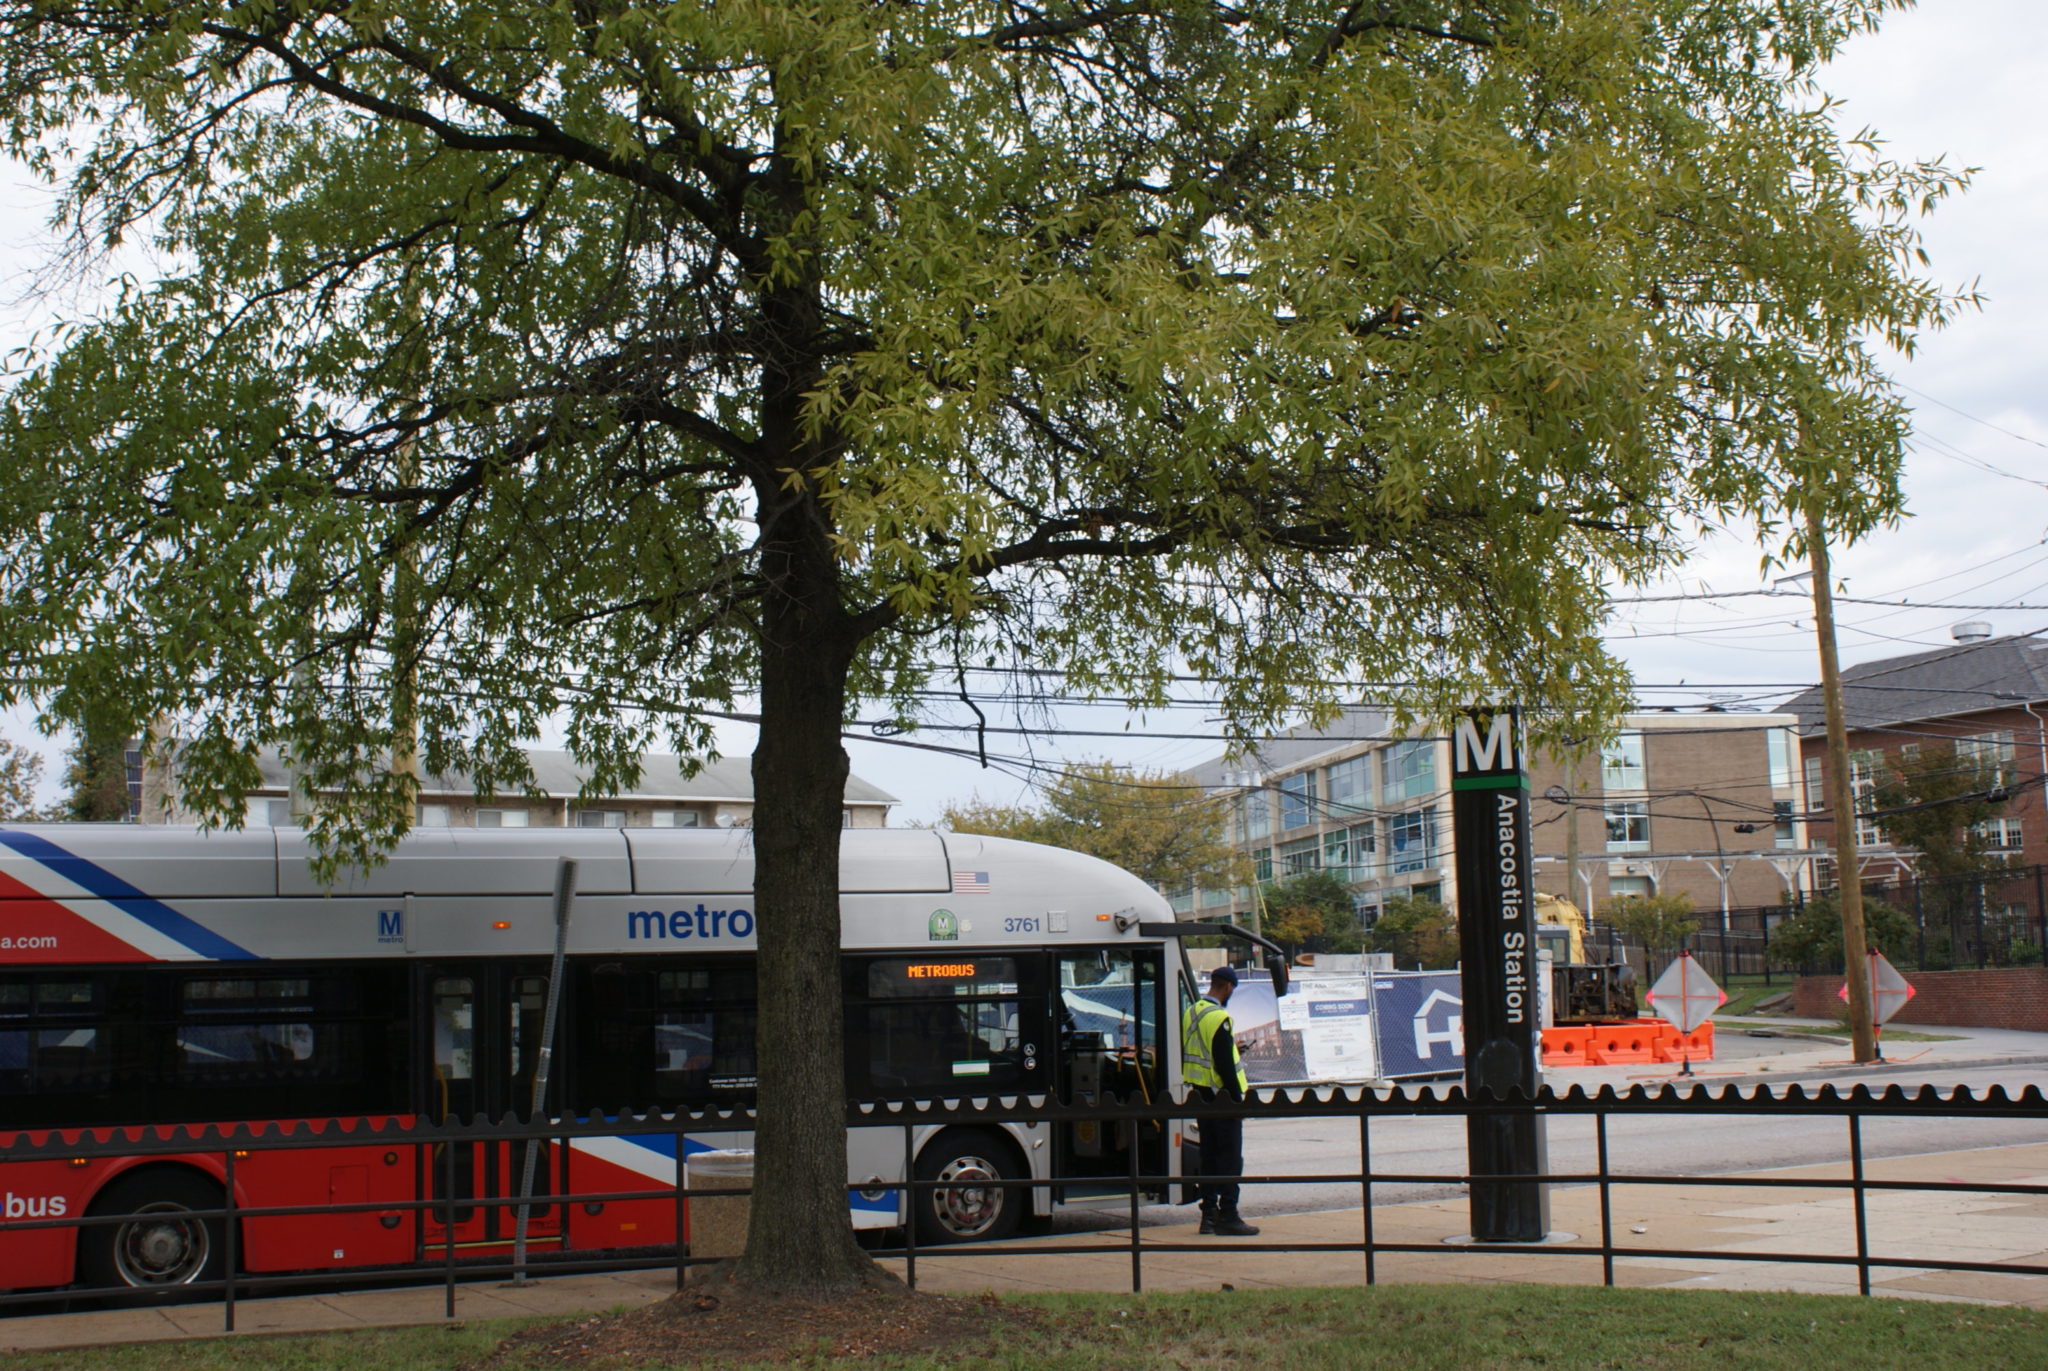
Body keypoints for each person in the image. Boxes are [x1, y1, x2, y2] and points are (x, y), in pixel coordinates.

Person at [1181, 965, 1259, 1236]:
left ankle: (1208, 1217)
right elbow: (1224, 1065)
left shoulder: (1191, 1011)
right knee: (1229, 1159)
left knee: (1209, 1157)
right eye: (1231, 990)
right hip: (1221, 1098)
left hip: (1200, 1096)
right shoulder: (1219, 1017)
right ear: (1228, 987)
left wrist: (1230, 1048)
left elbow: (1201, 1051)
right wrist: (1237, 1101)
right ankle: (1229, 1215)